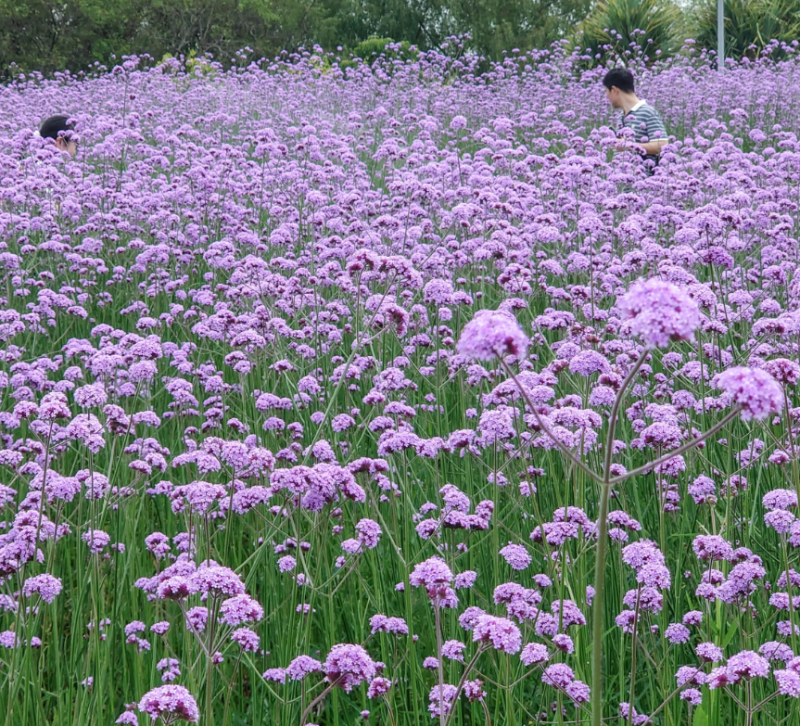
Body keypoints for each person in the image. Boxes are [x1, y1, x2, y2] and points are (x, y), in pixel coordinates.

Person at [603, 68, 668, 173]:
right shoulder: (621, 116)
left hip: (646, 184)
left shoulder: (647, 112)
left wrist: (627, 145)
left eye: (607, 92)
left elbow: (662, 144)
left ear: (614, 90)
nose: (607, 97)